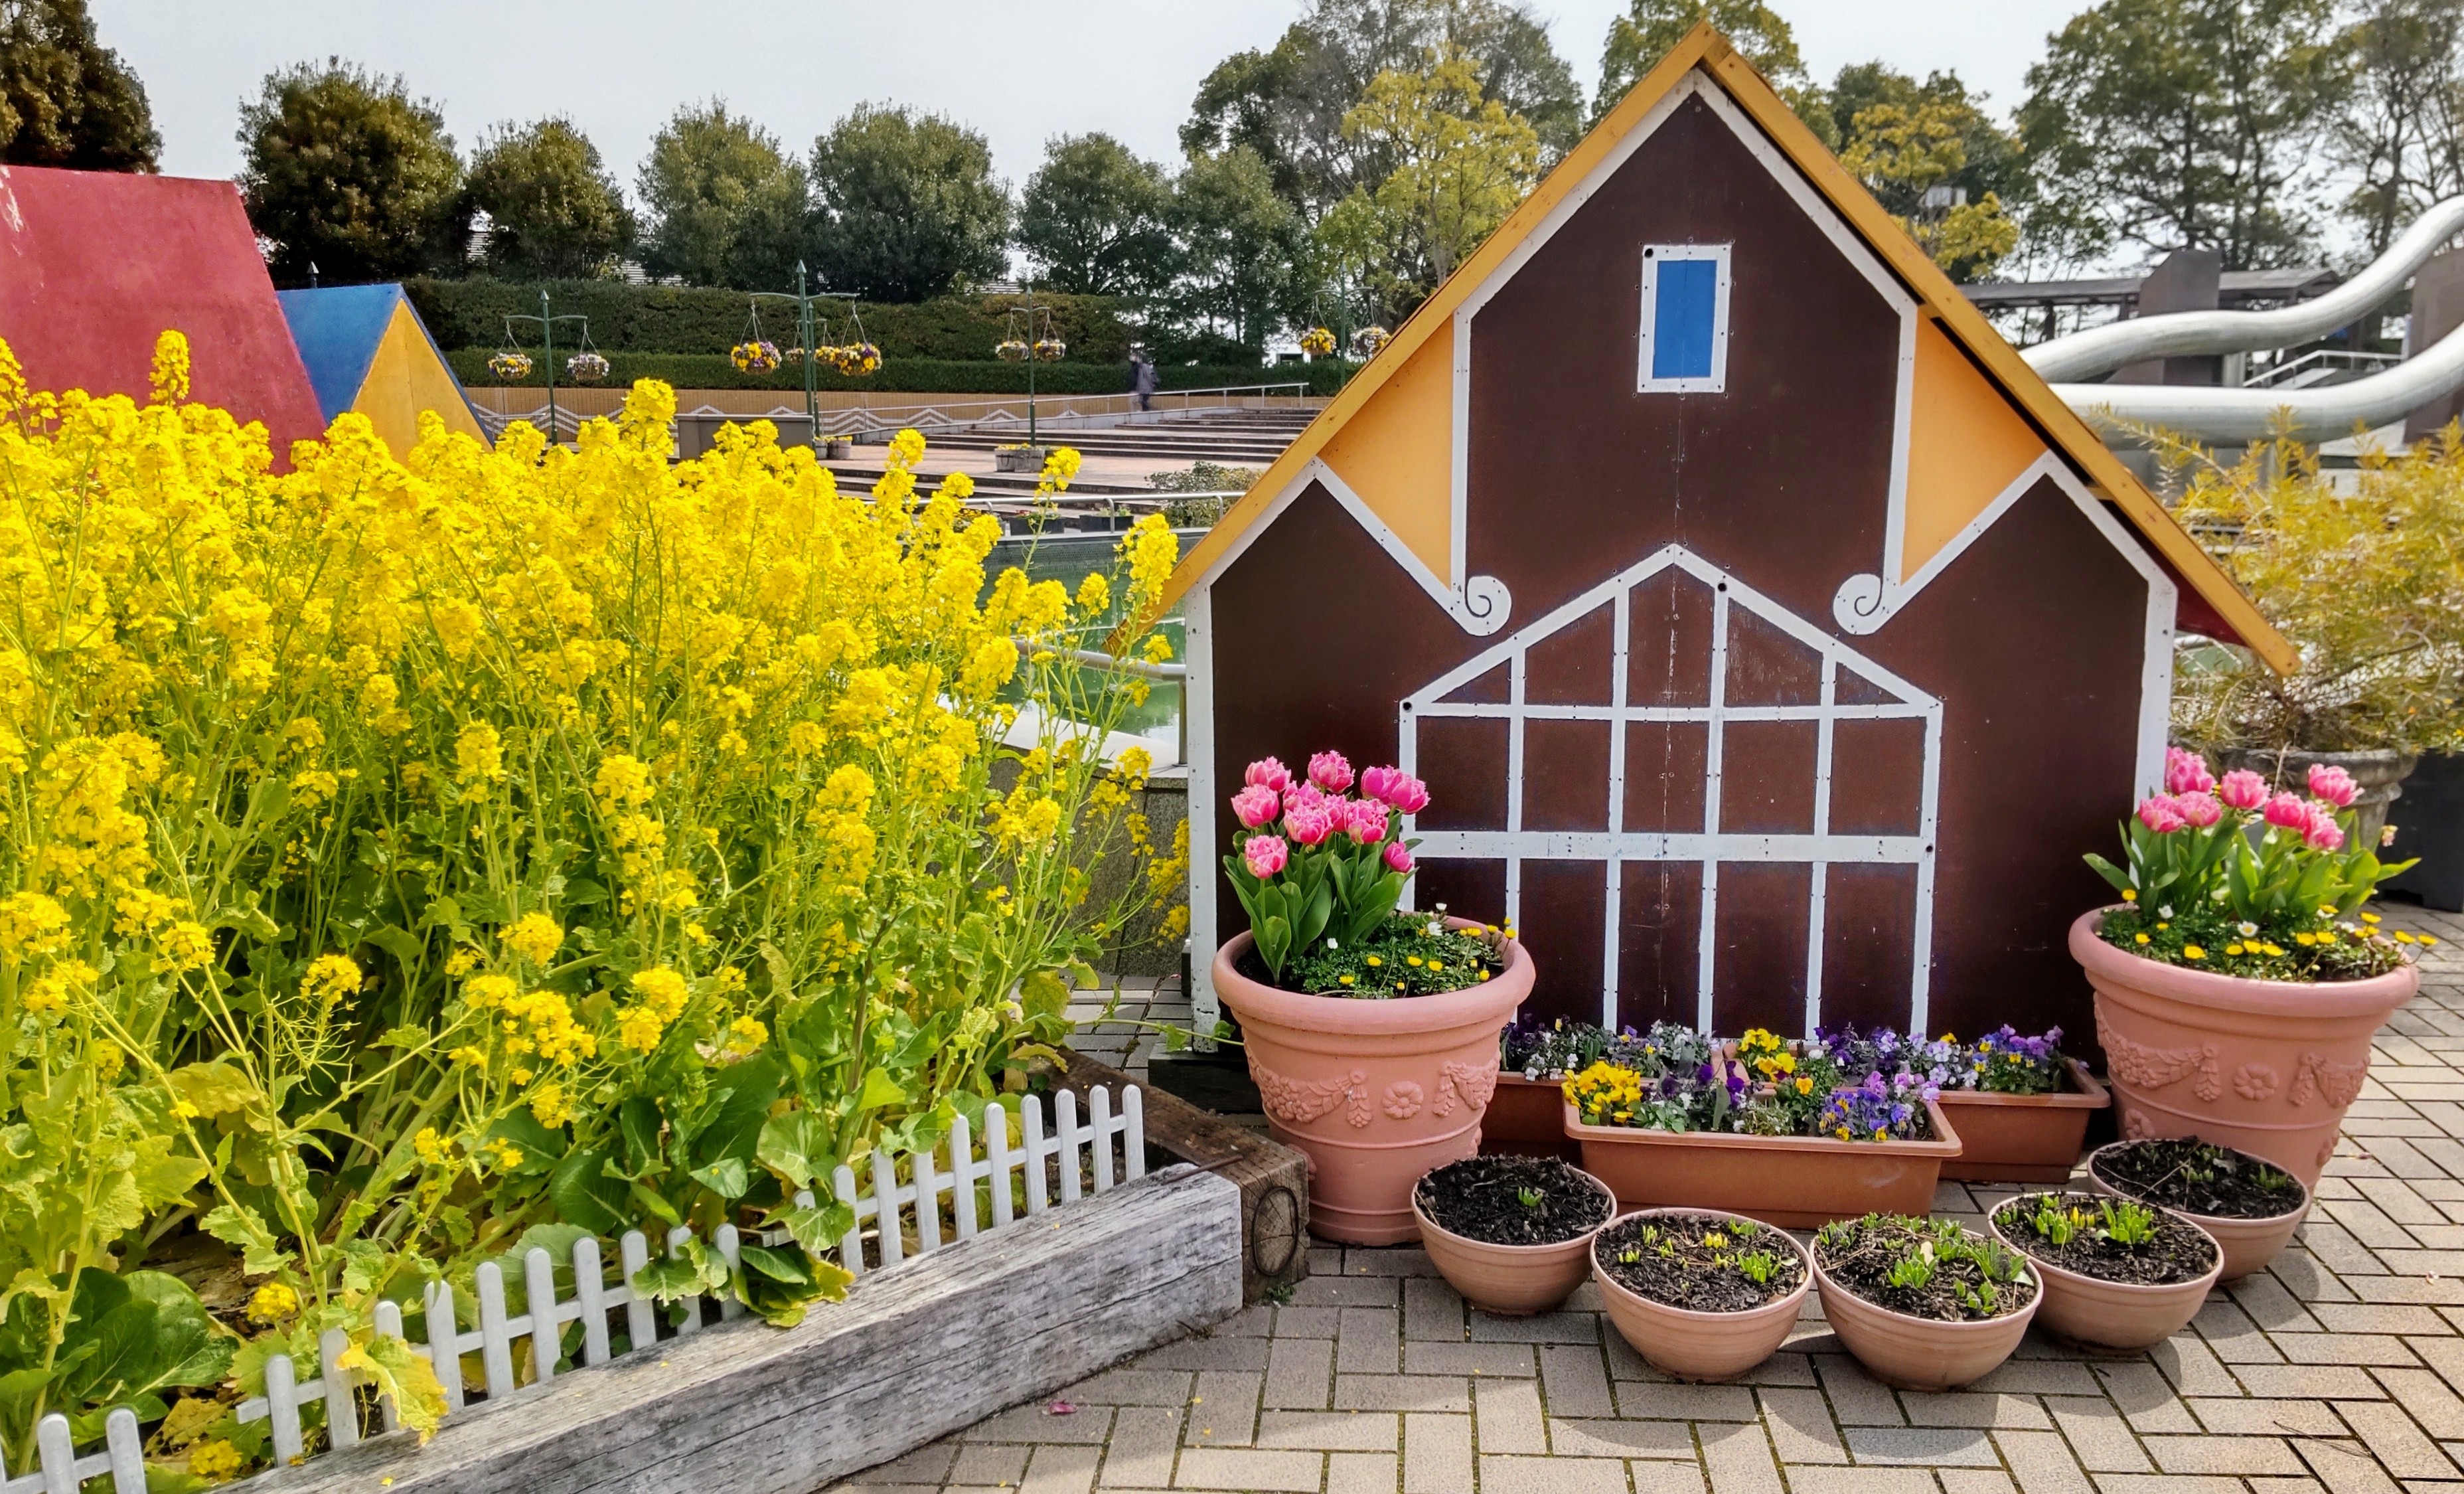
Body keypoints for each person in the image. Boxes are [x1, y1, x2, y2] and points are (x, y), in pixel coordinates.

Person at [1128, 343, 1158, 413]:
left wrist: (1151, 386)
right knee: (1143, 401)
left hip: (1143, 388)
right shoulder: (1142, 367)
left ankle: (1150, 411)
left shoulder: (1143, 367)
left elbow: (1147, 377)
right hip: (1143, 388)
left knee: (1142, 401)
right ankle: (1148, 411)